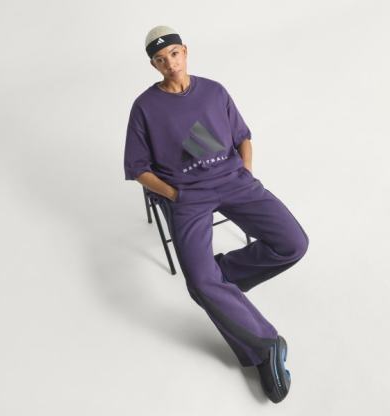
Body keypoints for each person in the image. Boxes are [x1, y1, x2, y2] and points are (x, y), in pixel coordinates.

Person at [123, 25, 309, 403]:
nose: (170, 63)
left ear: (185, 51)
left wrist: (246, 173)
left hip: (234, 181)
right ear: (154, 65)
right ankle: (266, 347)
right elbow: (137, 167)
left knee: (294, 243)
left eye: (174, 54)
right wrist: (176, 194)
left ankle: (221, 279)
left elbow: (243, 136)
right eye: (160, 59)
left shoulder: (214, 91)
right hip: (187, 195)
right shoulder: (145, 107)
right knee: (198, 281)